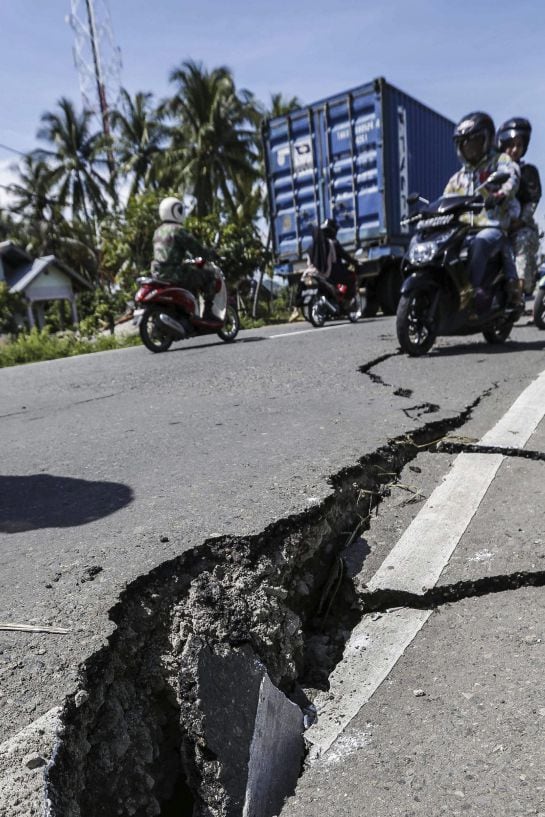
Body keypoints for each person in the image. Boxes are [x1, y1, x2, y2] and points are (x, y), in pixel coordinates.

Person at [444, 111, 521, 312]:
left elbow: (512, 175)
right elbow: (444, 199)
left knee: (479, 243)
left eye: (473, 141)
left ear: (486, 140)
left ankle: (472, 292)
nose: (468, 147)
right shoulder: (460, 176)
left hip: (491, 226)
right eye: (463, 143)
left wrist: (500, 194)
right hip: (463, 229)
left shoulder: (499, 161)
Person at [151, 197, 220, 323]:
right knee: (210, 275)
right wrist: (211, 254)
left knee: (191, 277)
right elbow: (196, 249)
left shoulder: (157, 231)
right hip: (175, 273)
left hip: (157, 273)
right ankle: (208, 312)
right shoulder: (178, 230)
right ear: (176, 210)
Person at [497, 118, 542, 299]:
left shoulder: (528, 171)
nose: (514, 149)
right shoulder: (492, 170)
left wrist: (520, 221)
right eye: (511, 145)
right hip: (495, 225)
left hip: (522, 228)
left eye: (519, 145)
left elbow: (532, 201)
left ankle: (518, 294)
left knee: (523, 239)